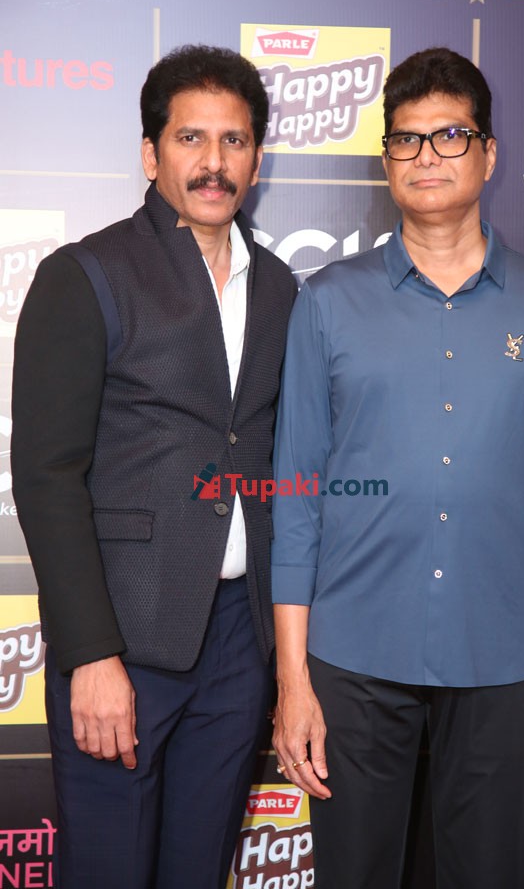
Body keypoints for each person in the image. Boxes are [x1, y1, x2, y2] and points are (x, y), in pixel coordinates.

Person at [270, 47, 524, 889]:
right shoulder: (327, 301)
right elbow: (297, 500)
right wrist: (293, 679)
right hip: (351, 657)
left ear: (489, 154)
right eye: (406, 139)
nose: (426, 155)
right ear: (387, 160)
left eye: (450, 135)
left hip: (502, 656)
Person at [11, 44, 296, 889]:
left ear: (256, 159)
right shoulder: (86, 274)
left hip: (239, 642)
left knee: (198, 872)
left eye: (234, 141)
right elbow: (47, 475)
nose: (214, 162)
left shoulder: (281, 288)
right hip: (124, 641)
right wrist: (91, 654)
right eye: (190, 138)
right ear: (151, 153)